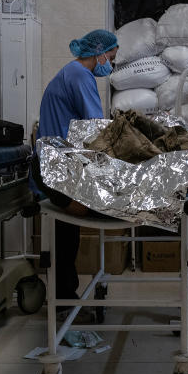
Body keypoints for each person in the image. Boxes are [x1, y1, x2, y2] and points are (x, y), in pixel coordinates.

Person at [34, 29, 118, 301]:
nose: (110, 64)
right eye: (111, 57)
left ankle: (63, 293)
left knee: (67, 234)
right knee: (69, 233)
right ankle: (62, 297)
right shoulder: (81, 76)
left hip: (55, 165)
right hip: (60, 169)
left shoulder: (69, 72)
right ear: (100, 52)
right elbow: (96, 128)